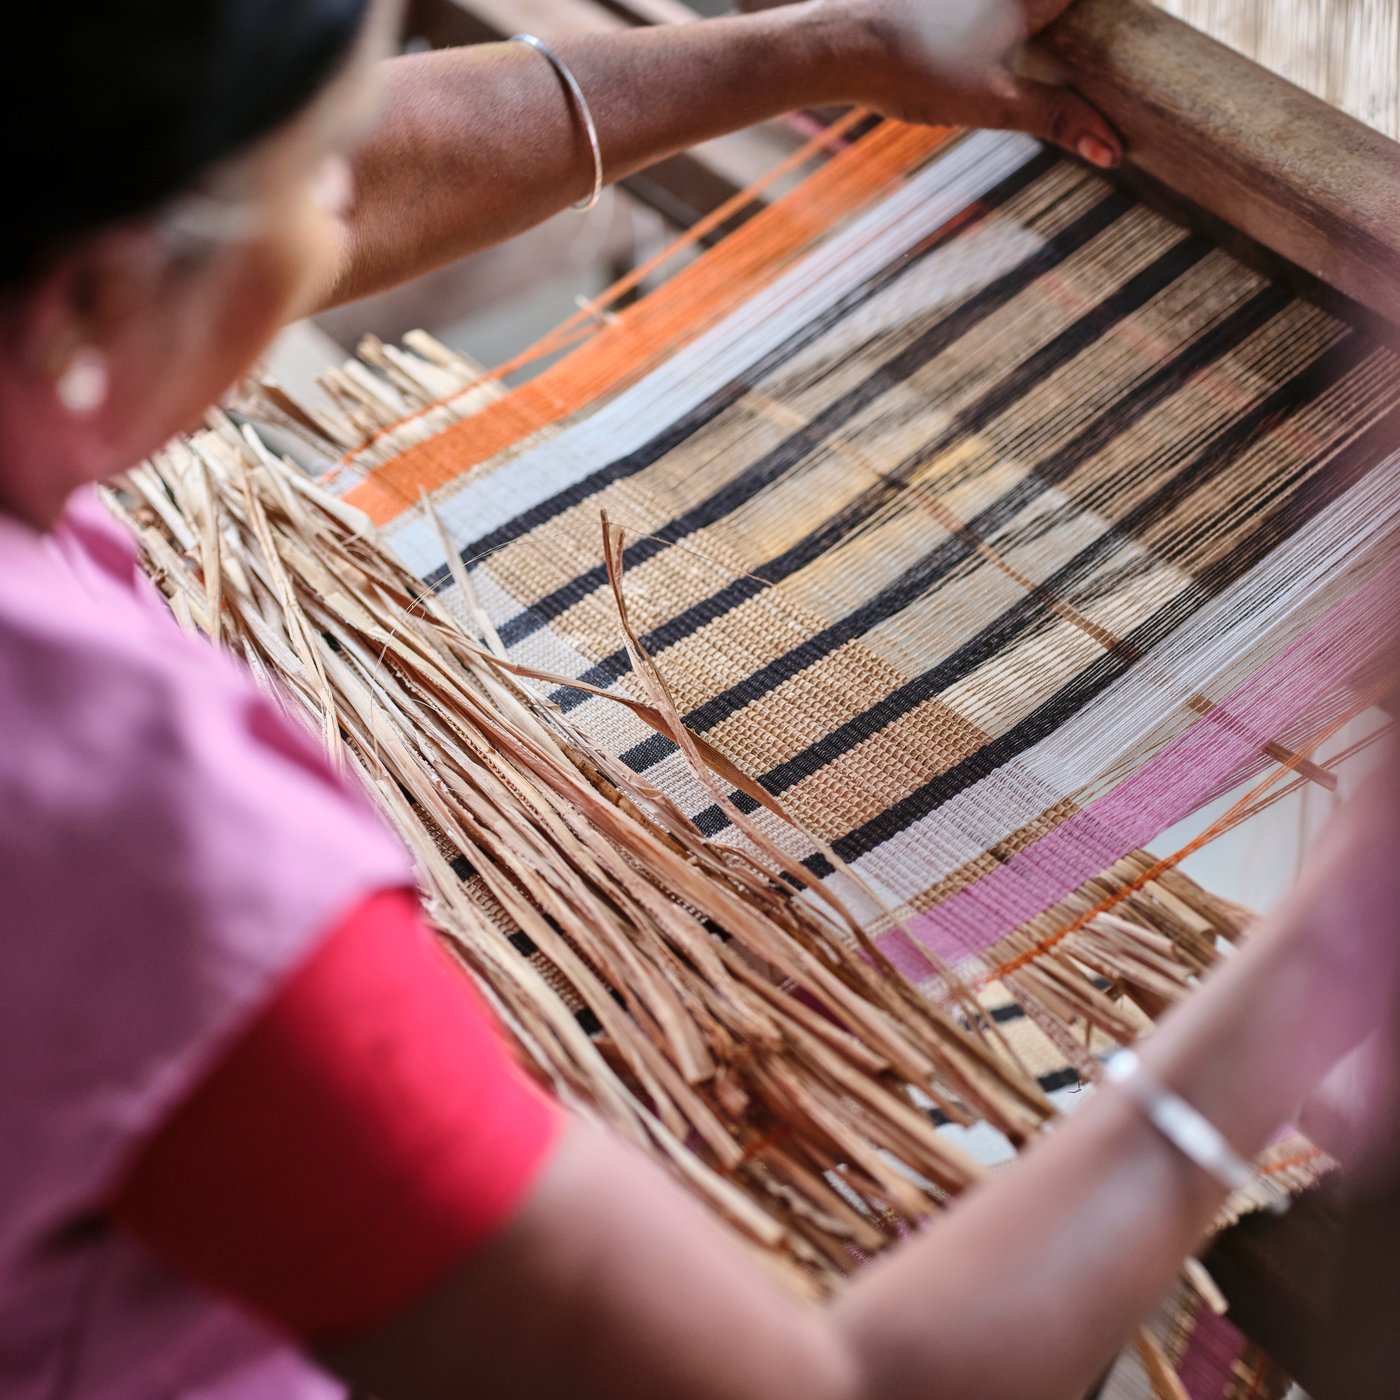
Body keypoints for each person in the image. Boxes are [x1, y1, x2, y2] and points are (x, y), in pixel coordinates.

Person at [0, 1, 1394, 1397]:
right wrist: (1324, 954)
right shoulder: (134, 835)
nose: (343, 203)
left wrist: (823, 48)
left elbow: (303, 178)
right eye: (313, 170)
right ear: (91, 303)